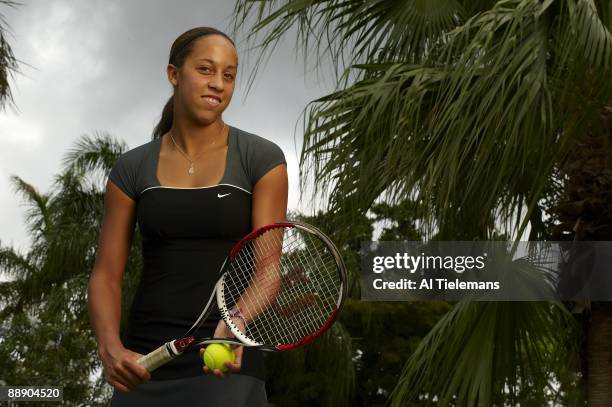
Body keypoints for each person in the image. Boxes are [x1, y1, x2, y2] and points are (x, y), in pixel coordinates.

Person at [87, 26, 288, 406]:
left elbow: (268, 267)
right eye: (206, 70)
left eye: (229, 75)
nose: (218, 84)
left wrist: (235, 324)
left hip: (227, 362)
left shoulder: (262, 159)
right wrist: (111, 349)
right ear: (174, 74)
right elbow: (105, 275)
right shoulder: (132, 168)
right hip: (143, 366)